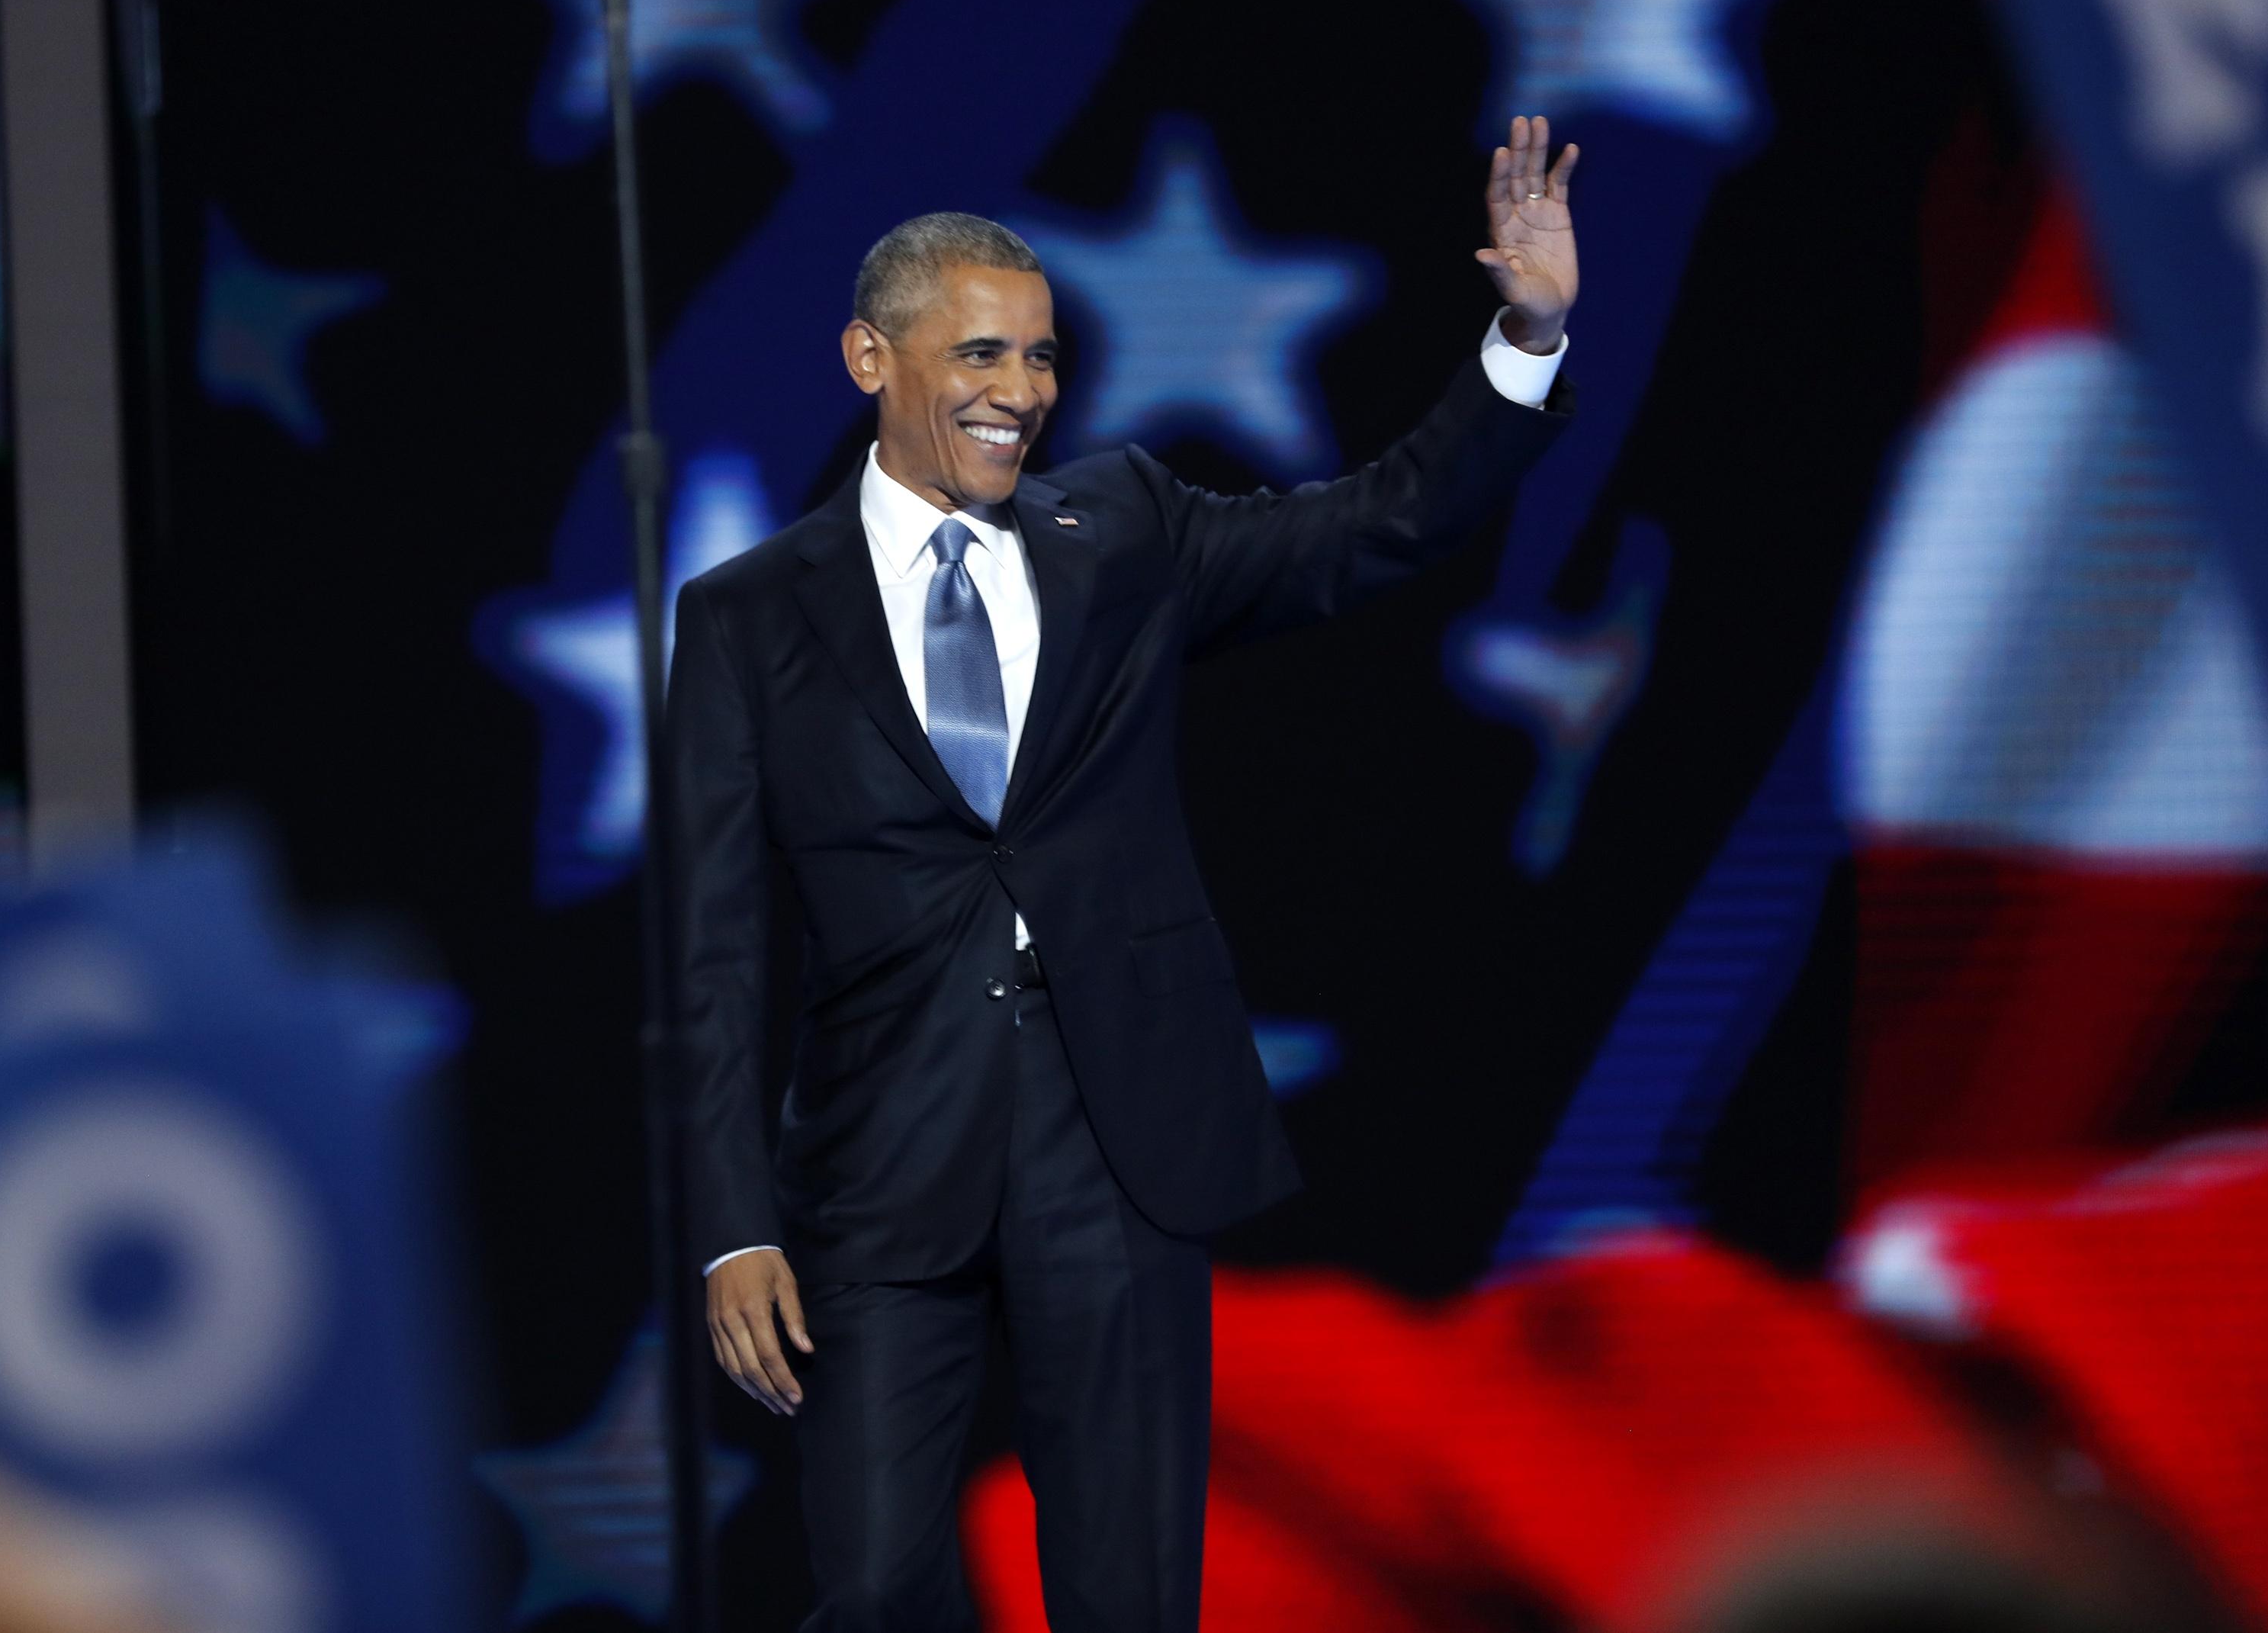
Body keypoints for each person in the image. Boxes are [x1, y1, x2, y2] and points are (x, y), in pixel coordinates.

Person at [663, 115, 1583, 1631]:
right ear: (868, 359)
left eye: (1036, 357)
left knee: (1130, 1596)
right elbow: (708, 945)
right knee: (881, 1587)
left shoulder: (1125, 531)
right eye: (977, 355)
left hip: (1121, 1147)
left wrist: (1525, 336)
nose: (1019, 391)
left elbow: (1380, 522)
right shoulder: (750, 616)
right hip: (882, 1173)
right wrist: (733, 1222)